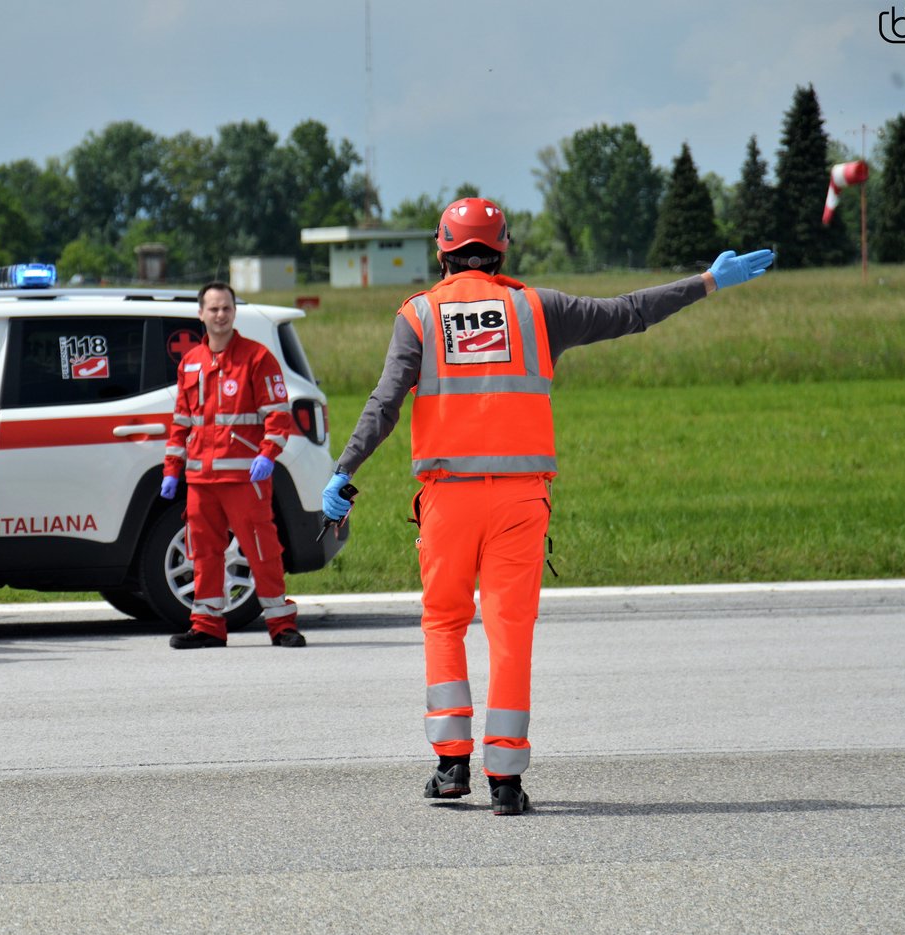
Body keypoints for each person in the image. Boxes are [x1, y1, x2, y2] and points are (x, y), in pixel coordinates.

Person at [321, 197, 774, 814]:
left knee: (444, 622)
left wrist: (344, 469)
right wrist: (706, 282)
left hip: (448, 500)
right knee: (510, 633)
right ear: (503, 245)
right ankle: (505, 779)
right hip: (520, 500)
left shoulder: (420, 315)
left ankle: (451, 767)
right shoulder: (540, 309)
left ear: (442, 248)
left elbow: (386, 401)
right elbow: (630, 312)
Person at [159, 281, 306, 649]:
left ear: (234, 312)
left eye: (226, 308)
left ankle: (281, 625)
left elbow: (278, 417)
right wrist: (171, 471)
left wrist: (266, 455)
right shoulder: (190, 362)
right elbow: (182, 422)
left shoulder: (257, 358)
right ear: (201, 314)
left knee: (262, 549)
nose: (220, 315)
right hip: (201, 478)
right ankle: (207, 626)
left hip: (244, 477)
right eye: (213, 309)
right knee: (203, 553)